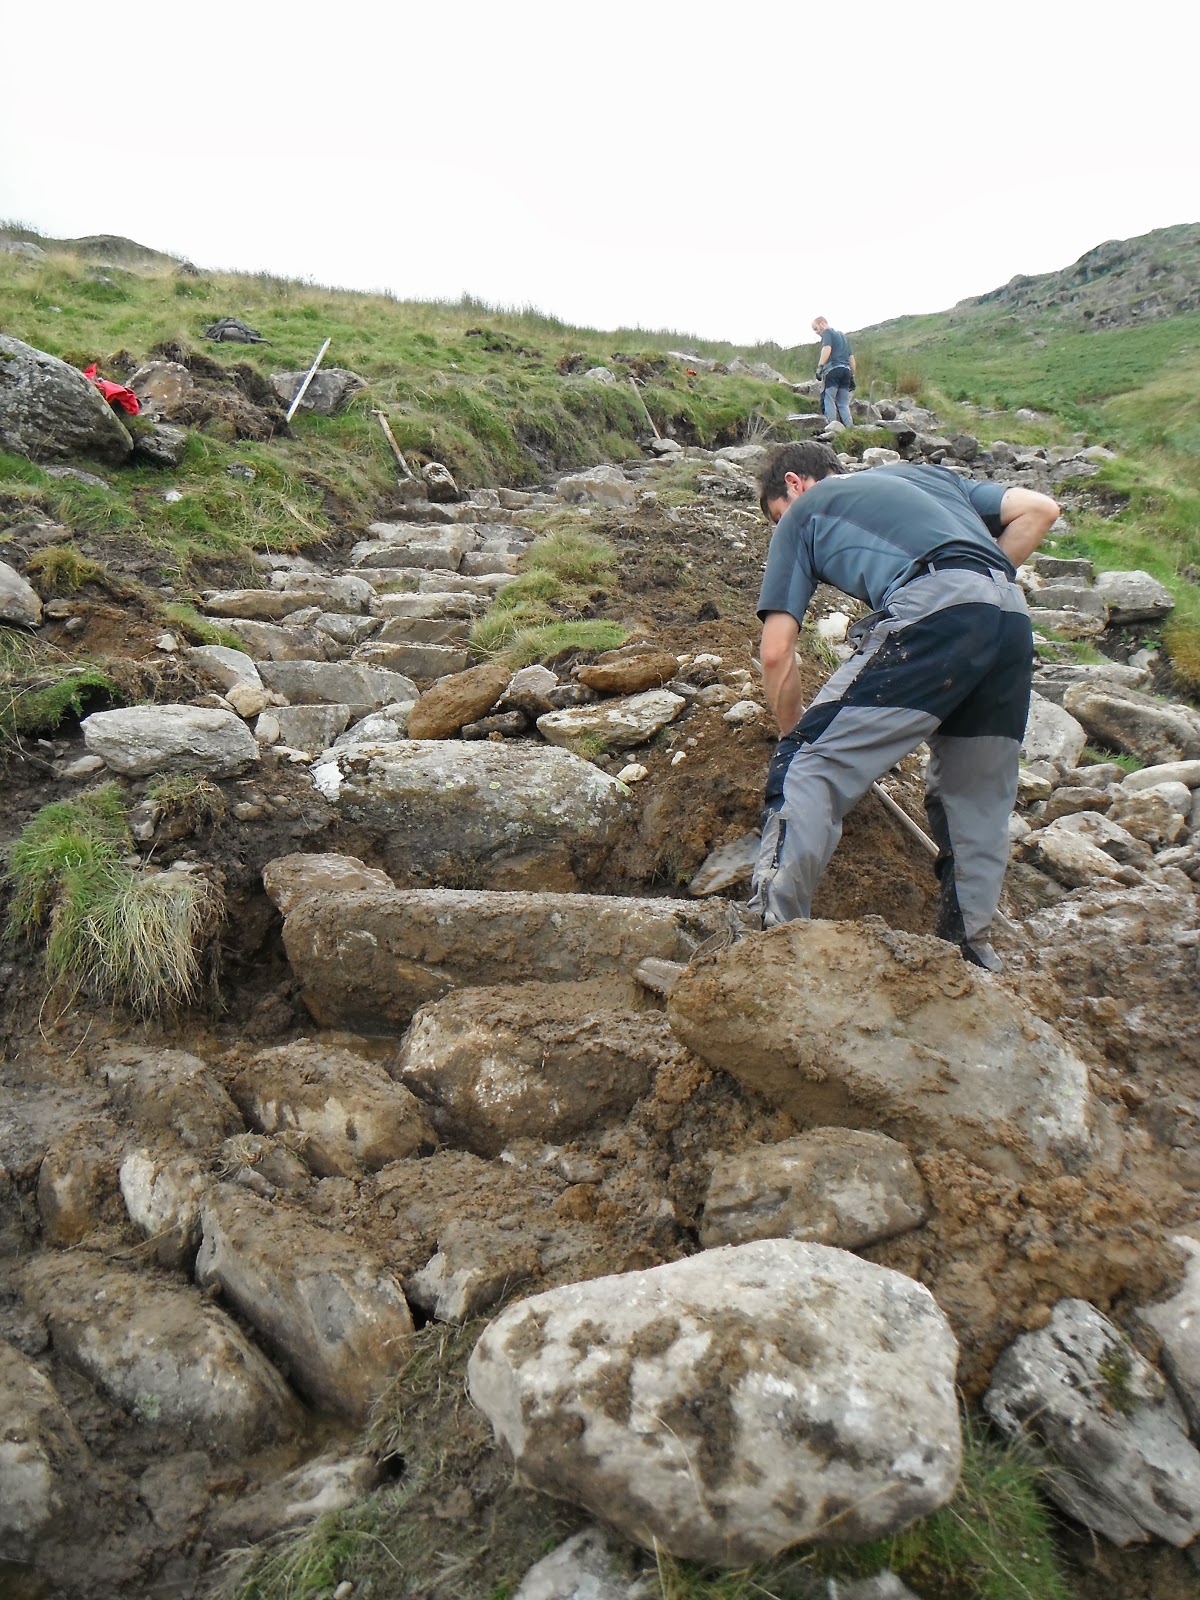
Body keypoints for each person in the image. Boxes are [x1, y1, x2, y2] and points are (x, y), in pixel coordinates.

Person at [749, 441, 1060, 970]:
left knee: (807, 763)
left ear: (795, 485)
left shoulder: (804, 512)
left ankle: (767, 949)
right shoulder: (928, 478)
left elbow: (776, 651)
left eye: (776, 517)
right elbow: (1040, 510)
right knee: (975, 798)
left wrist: (790, 735)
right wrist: (976, 589)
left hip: (936, 602)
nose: (781, 529)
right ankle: (972, 957)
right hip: (1009, 617)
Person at [812, 316, 855, 427]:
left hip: (833, 369)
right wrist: (852, 376)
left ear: (822, 324)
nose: (816, 332)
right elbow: (851, 358)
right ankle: (850, 428)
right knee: (843, 403)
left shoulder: (827, 332)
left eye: (816, 328)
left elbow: (827, 348)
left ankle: (831, 427)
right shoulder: (843, 337)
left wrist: (820, 366)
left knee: (829, 399)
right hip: (846, 370)